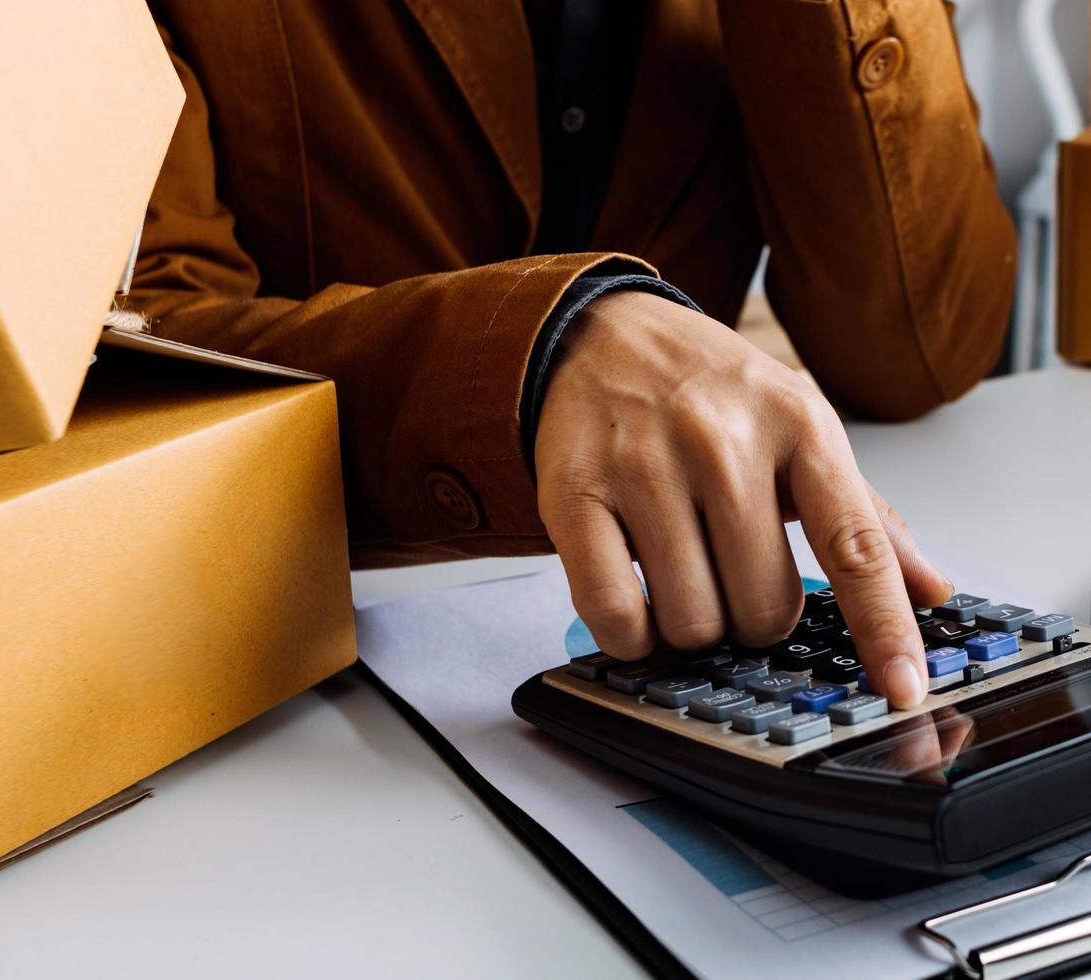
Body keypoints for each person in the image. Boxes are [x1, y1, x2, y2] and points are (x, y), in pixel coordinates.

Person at [131, 0, 1015, 707]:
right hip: (291, 643)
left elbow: (914, 357)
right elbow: (115, 341)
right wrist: (540, 348)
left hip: (656, 602)